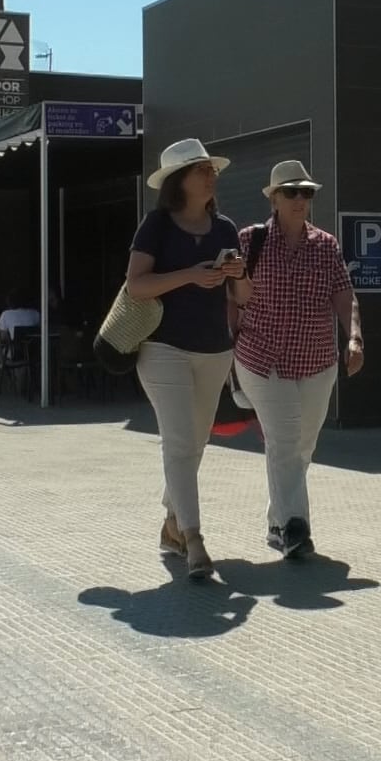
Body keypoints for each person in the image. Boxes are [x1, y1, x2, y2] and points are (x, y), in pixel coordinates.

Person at [126, 138, 247, 580]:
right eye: (202, 169)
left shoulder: (226, 229)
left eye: (212, 169)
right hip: (162, 347)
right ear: (180, 180)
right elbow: (136, 285)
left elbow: (244, 296)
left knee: (194, 445)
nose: (212, 175)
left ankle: (172, 523)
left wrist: (237, 274)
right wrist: (190, 277)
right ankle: (194, 539)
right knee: (179, 442)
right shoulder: (156, 225)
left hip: (215, 349)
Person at [233, 160, 364, 560]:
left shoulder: (326, 245)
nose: (300, 199)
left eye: (306, 192)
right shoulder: (250, 241)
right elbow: (231, 299)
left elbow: (344, 294)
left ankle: (277, 521)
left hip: (316, 361)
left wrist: (355, 337)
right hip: (261, 359)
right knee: (285, 440)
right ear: (273, 198)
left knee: (302, 445)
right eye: (291, 192)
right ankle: (296, 528)